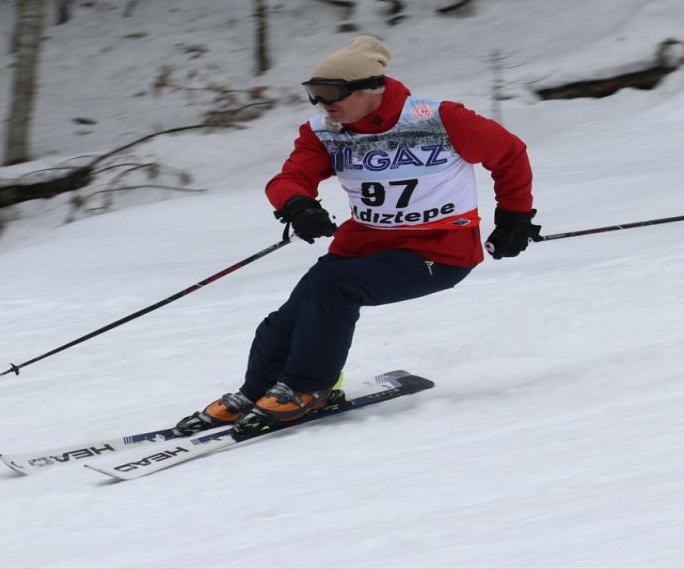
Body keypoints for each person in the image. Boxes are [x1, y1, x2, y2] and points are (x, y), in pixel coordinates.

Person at [175, 35, 539, 433]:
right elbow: (290, 177)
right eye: (313, 92)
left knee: (333, 288)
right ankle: (258, 390)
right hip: (363, 247)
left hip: (439, 251)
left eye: (331, 92)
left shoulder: (438, 118)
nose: (322, 102)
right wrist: (298, 205)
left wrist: (514, 218)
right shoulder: (325, 131)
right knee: (293, 315)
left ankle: (308, 387)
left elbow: (509, 154)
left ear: (370, 89)